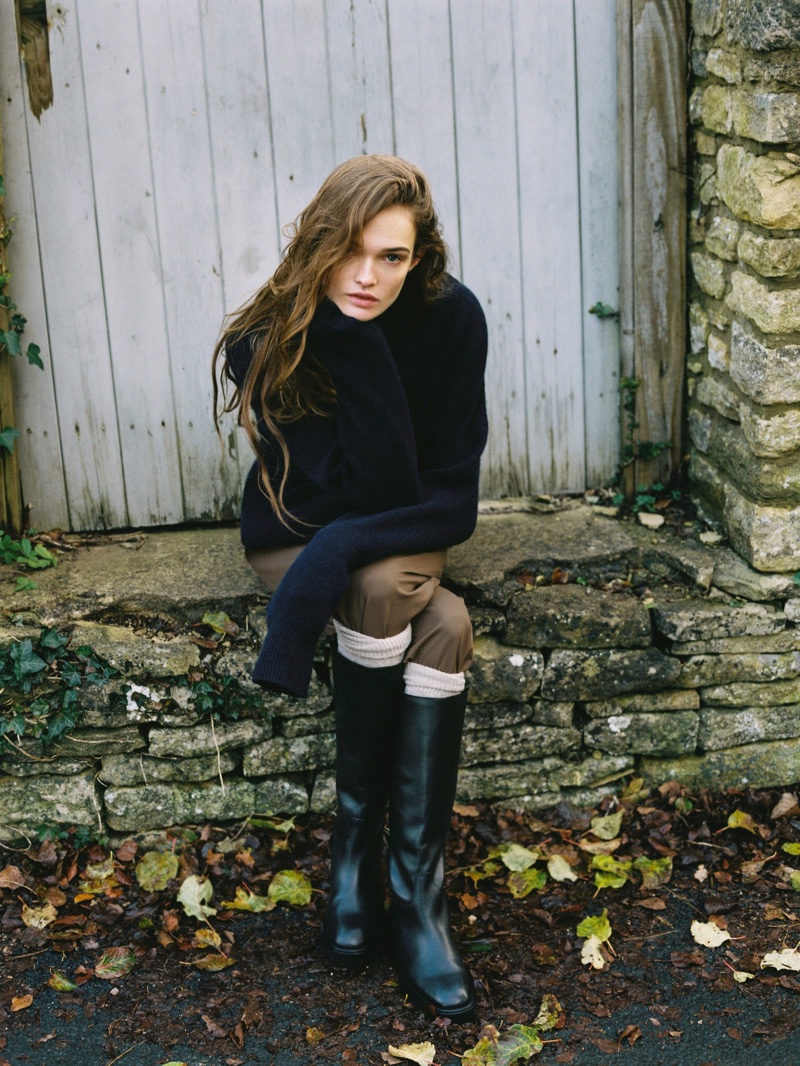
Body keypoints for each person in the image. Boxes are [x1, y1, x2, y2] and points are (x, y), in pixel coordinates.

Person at [212, 154, 488, 1021]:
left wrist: (344, 554)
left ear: (422, 256)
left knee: (399, 591)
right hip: (297, 536)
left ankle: (409, 898)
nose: (368, 277)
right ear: (319, 243)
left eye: (394, 258)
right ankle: (363, 870)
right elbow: (341, 497)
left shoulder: (451, 321)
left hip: (391, 538)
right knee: (431, 615)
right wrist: (352, 343)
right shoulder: (276, 333)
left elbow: (450, 496)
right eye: (351, 251)